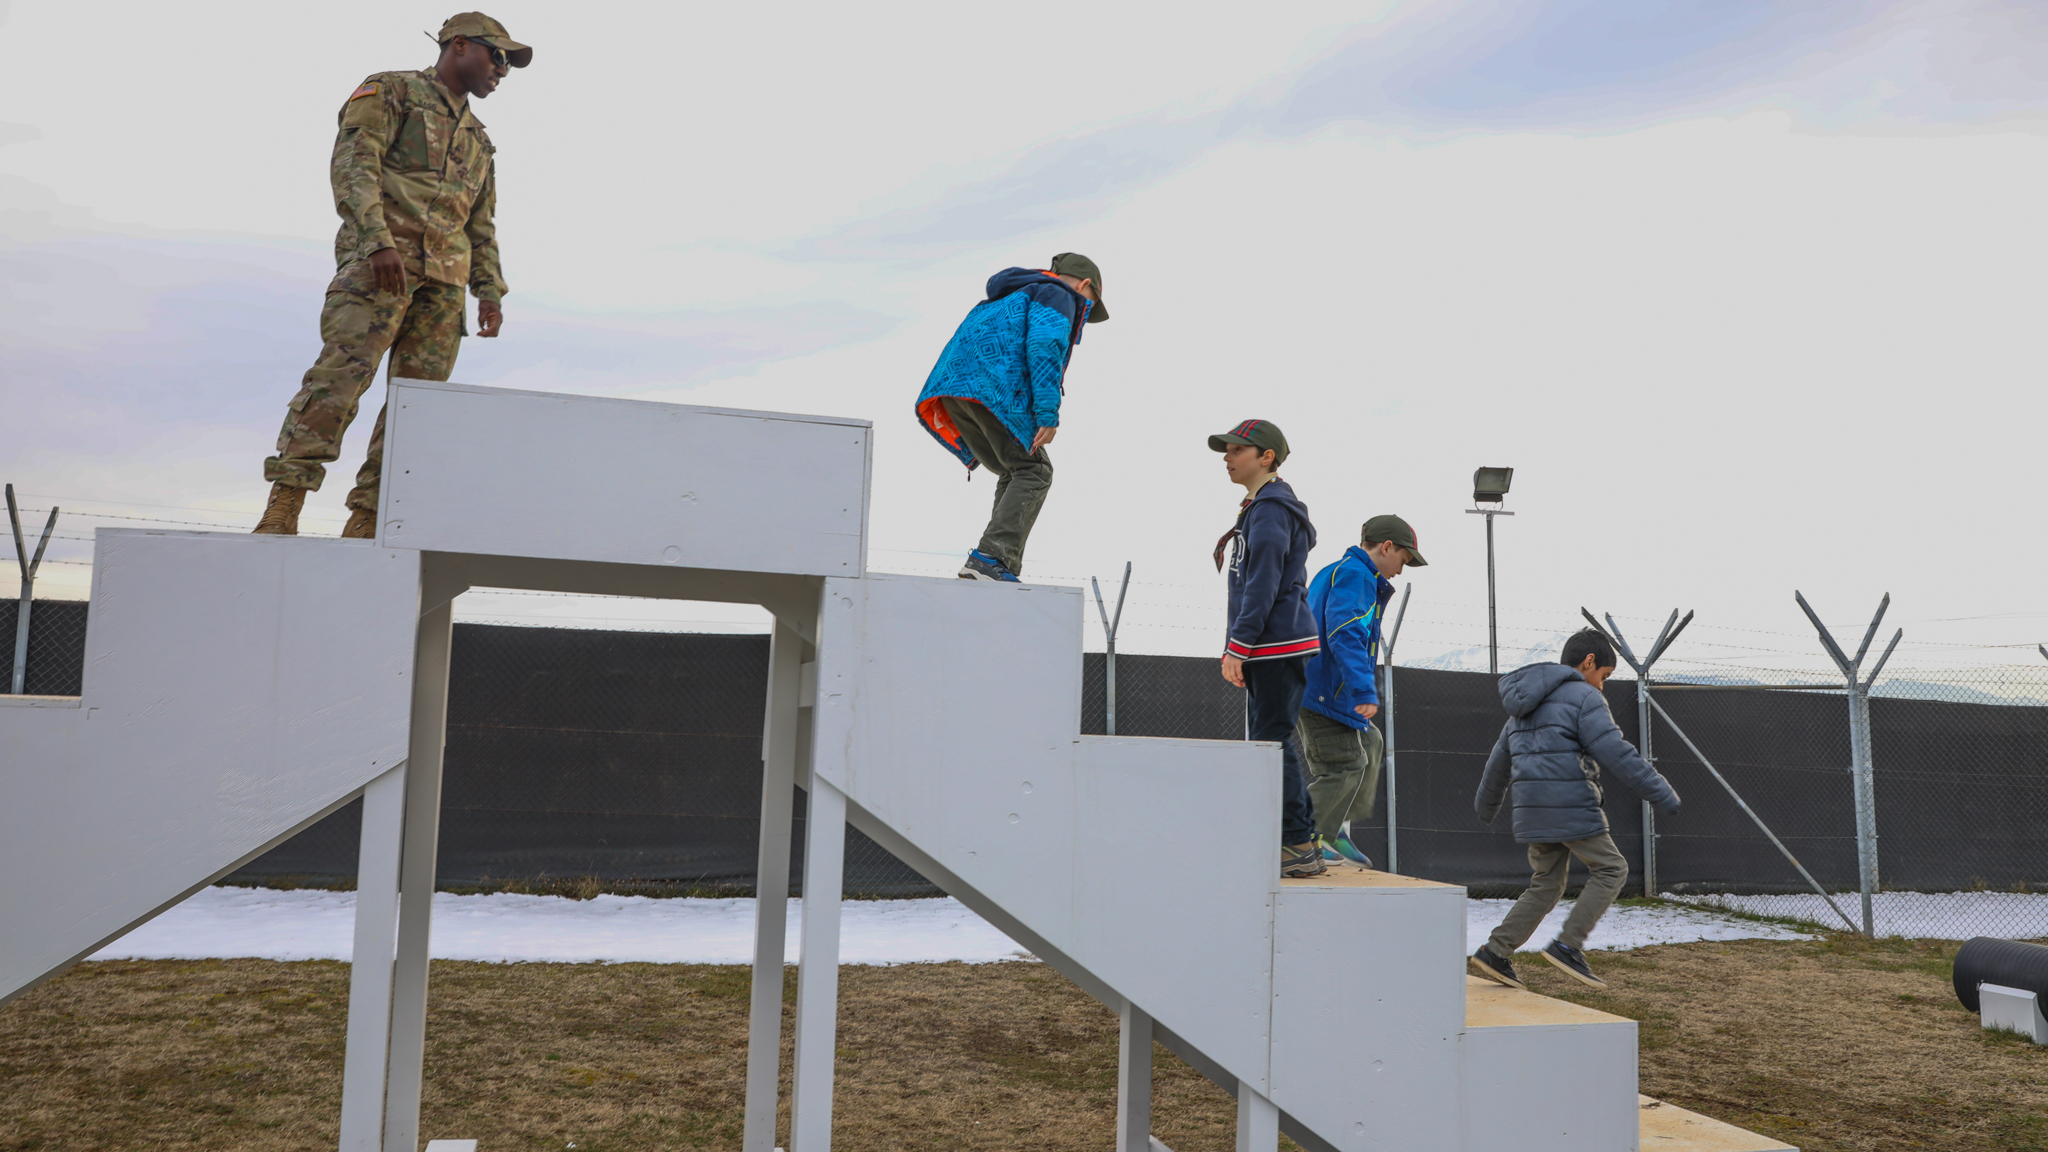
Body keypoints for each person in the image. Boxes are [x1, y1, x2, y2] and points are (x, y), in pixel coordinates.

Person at [253, 13, 532, 538]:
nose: (503, 71)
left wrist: (489, 290)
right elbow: (355, 165)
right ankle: (284, 505)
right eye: (498, 57)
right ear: (461, 47)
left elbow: (480, 223)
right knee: (339, 382)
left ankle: (366, 520)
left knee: (417, 408)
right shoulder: (391, 91)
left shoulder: (479, 140)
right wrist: (377, 242)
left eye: (508, 64)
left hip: (445, 290)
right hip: (381, 268)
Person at [1469, 628, 1681, 991]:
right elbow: (1616, 752)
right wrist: (1660, 791)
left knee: (1547, 884)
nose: (1602, 686)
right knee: (1612, 869)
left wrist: (1485, 806)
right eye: (1604, 676)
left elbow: (1498, 761)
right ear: (1588, 663)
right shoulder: (1584, 697)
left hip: (1532, 810)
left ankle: (1495, 951)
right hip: (1570, 805)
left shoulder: (1524, 704)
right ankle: (1568, 946)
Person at [914, 255, 1106, 581]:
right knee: (1036, 469)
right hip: (991, 389)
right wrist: (1047, 413)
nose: (1085, 314)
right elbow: (1046, 344)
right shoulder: (1059, 294)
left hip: (953, 388)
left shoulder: (1011, 292)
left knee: (1013, 468)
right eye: (1090, 304)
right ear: (1085, 285)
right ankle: (991, 557)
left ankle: (998, 566)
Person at [1209, 420, 1323, 878]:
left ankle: (1298, 844)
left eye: (1237, 449)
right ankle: (1299, 840)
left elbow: (1263, 583)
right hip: (1270, 643)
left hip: (1276, 642)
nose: (1227, 456)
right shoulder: (1260, 508)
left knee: (1271, 742)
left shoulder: (1273, 509)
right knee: (1269, 741)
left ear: (1266, 457)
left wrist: (1238, 646)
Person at [1297, 515, 1428, 870]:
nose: (1401, 571)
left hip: (1325, 688)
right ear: (1386, 547)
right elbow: (1345, 633)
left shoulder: (1342, 571)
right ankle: (1299, 837)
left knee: (1371, 742)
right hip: (1324, 690)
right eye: (1403, 560)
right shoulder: (1356, 576)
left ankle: (1332, 825)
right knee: (1344, 766)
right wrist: (1362, 690)